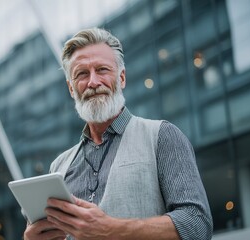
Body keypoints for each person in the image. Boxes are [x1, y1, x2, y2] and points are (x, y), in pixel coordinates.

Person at [23, 27, 213, 240]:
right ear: (71, 88)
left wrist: (110, 229)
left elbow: (197, 224)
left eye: (102, 70)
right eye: (82, 74)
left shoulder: (162, 135)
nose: (93, 82)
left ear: (121, 78)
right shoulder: (59, 166)